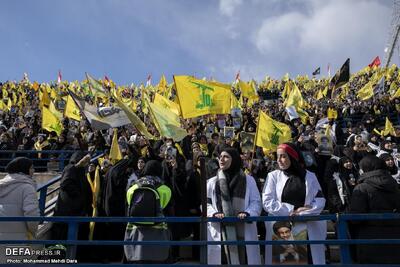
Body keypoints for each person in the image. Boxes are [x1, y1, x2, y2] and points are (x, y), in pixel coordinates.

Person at [262, 143, 326, 264]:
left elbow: (320, 199)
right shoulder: (273, 176)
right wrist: (292, 210)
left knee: (307, 260)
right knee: (285, 261)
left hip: (307, 229)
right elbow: (267, 202)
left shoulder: (310, 176)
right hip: (282, 228)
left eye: (283, 156)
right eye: (278, 156)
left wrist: (304, 212)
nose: (279, 160)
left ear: (293, 157)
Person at [207, 148, 262, 265]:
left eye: (226, 157)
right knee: (222, 260)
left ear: (235, 160)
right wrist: (214, 213)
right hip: (220, 229)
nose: (221, 159)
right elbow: (206, 203)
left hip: (243, 228)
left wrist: (248, 213)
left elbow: (256, 202)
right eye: (220, 156)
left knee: (244, 260)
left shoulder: (249, 180)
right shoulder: (212, 182)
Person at [349, 155, 400, 264]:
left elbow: (355, 217)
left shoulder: (362, 188)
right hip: (394, 237)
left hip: (369, 239)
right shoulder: (394, 184)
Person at [123, 160, 172, 263]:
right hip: (158, 231)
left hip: (136, 231)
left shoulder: (132, 188)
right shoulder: (165, 189)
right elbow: (166, 209)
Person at [0, 157, 39, 264]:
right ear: (24, 169)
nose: (33, 171)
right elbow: (32, 214)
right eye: (31, 168)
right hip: (19, 238)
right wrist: (34, 230)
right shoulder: (27, 188)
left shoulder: (2, 184)